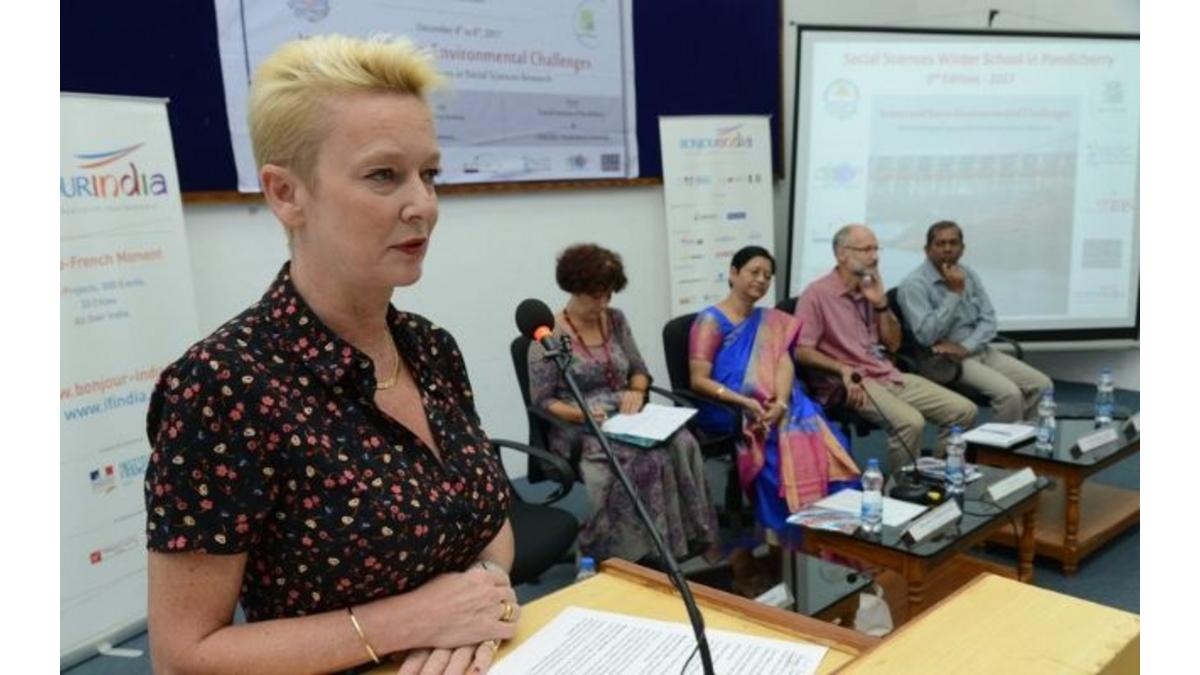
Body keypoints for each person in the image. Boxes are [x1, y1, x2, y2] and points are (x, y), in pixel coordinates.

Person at [143, 35, 519, 675]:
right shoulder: (223, 385)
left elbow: (490, 523)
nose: (423, 205)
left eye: (429, 174)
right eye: (384, 175)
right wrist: (412, 621)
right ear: (286, 193)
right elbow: (183, 654)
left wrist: (484, 591)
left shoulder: (431, 348)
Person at [527, 244, 720, 566]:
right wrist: (581, 413)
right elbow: (543, 401)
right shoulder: (548, 337)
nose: (603, 303)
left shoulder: (615, 320)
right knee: (644, 460)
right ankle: (625, 552)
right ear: (574, 289)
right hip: (579, 425)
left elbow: (639, 370)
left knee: (683, 442)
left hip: (626, 414)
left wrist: (637, 390)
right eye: (595, 296)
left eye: (608, 295)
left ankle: (683, 538)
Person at [688, 246, 859, 542]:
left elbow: (783, 362)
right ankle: (790, 537)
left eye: (767, 275)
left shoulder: (771, 321)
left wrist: (780, 402)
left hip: (777, 403)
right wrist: (744, 401)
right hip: (730, 407)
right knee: (774, 452)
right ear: (733, 273)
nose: (761, 279)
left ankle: (836, 535)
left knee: (829, 445)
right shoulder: (710, 321)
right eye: (754, 272)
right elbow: (698, 380)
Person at [794, 224, 977, 471]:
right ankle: (900, 490)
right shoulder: (816, 294)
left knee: (964, 411)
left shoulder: (869, 289)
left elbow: (893, 344)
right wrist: (842, 369)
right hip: (851, 383)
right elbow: (802, 351)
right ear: (842, 254)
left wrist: (881, 304)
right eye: (866, 250)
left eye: (876, 249)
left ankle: (937, 477)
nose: (874, 256)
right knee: (910, 423)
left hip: (886, 374)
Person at [897, 220, 1052, 422]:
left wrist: (967, 346)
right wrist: (954, 293)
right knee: (1010, 394)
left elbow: (989, 320)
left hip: (977, 350)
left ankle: (1028, 440)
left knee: (1043, 386)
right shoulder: (914, 285)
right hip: (946, 361)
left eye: (953, 243)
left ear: (962, 248)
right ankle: (1002, 443)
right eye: (940, 243)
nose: (947, 249)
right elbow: (926, 336)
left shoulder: (968, 274)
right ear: (927, 250)